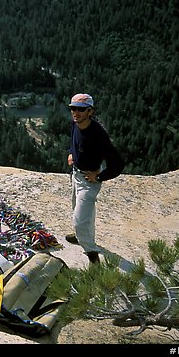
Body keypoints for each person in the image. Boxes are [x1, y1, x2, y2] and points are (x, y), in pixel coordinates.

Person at [66, 94, 125, 264]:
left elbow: (118, 164)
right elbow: (74, 139)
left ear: (90, 111)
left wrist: (99, 176)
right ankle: (81, 236)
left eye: (80, 109)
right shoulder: (76, 124)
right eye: (73, 108)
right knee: (79, 210)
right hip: (76, 174)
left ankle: (92, 255)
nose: (75, 112)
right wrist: (72, 152)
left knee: (79, 220)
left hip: (88, 180)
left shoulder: (98, 135)